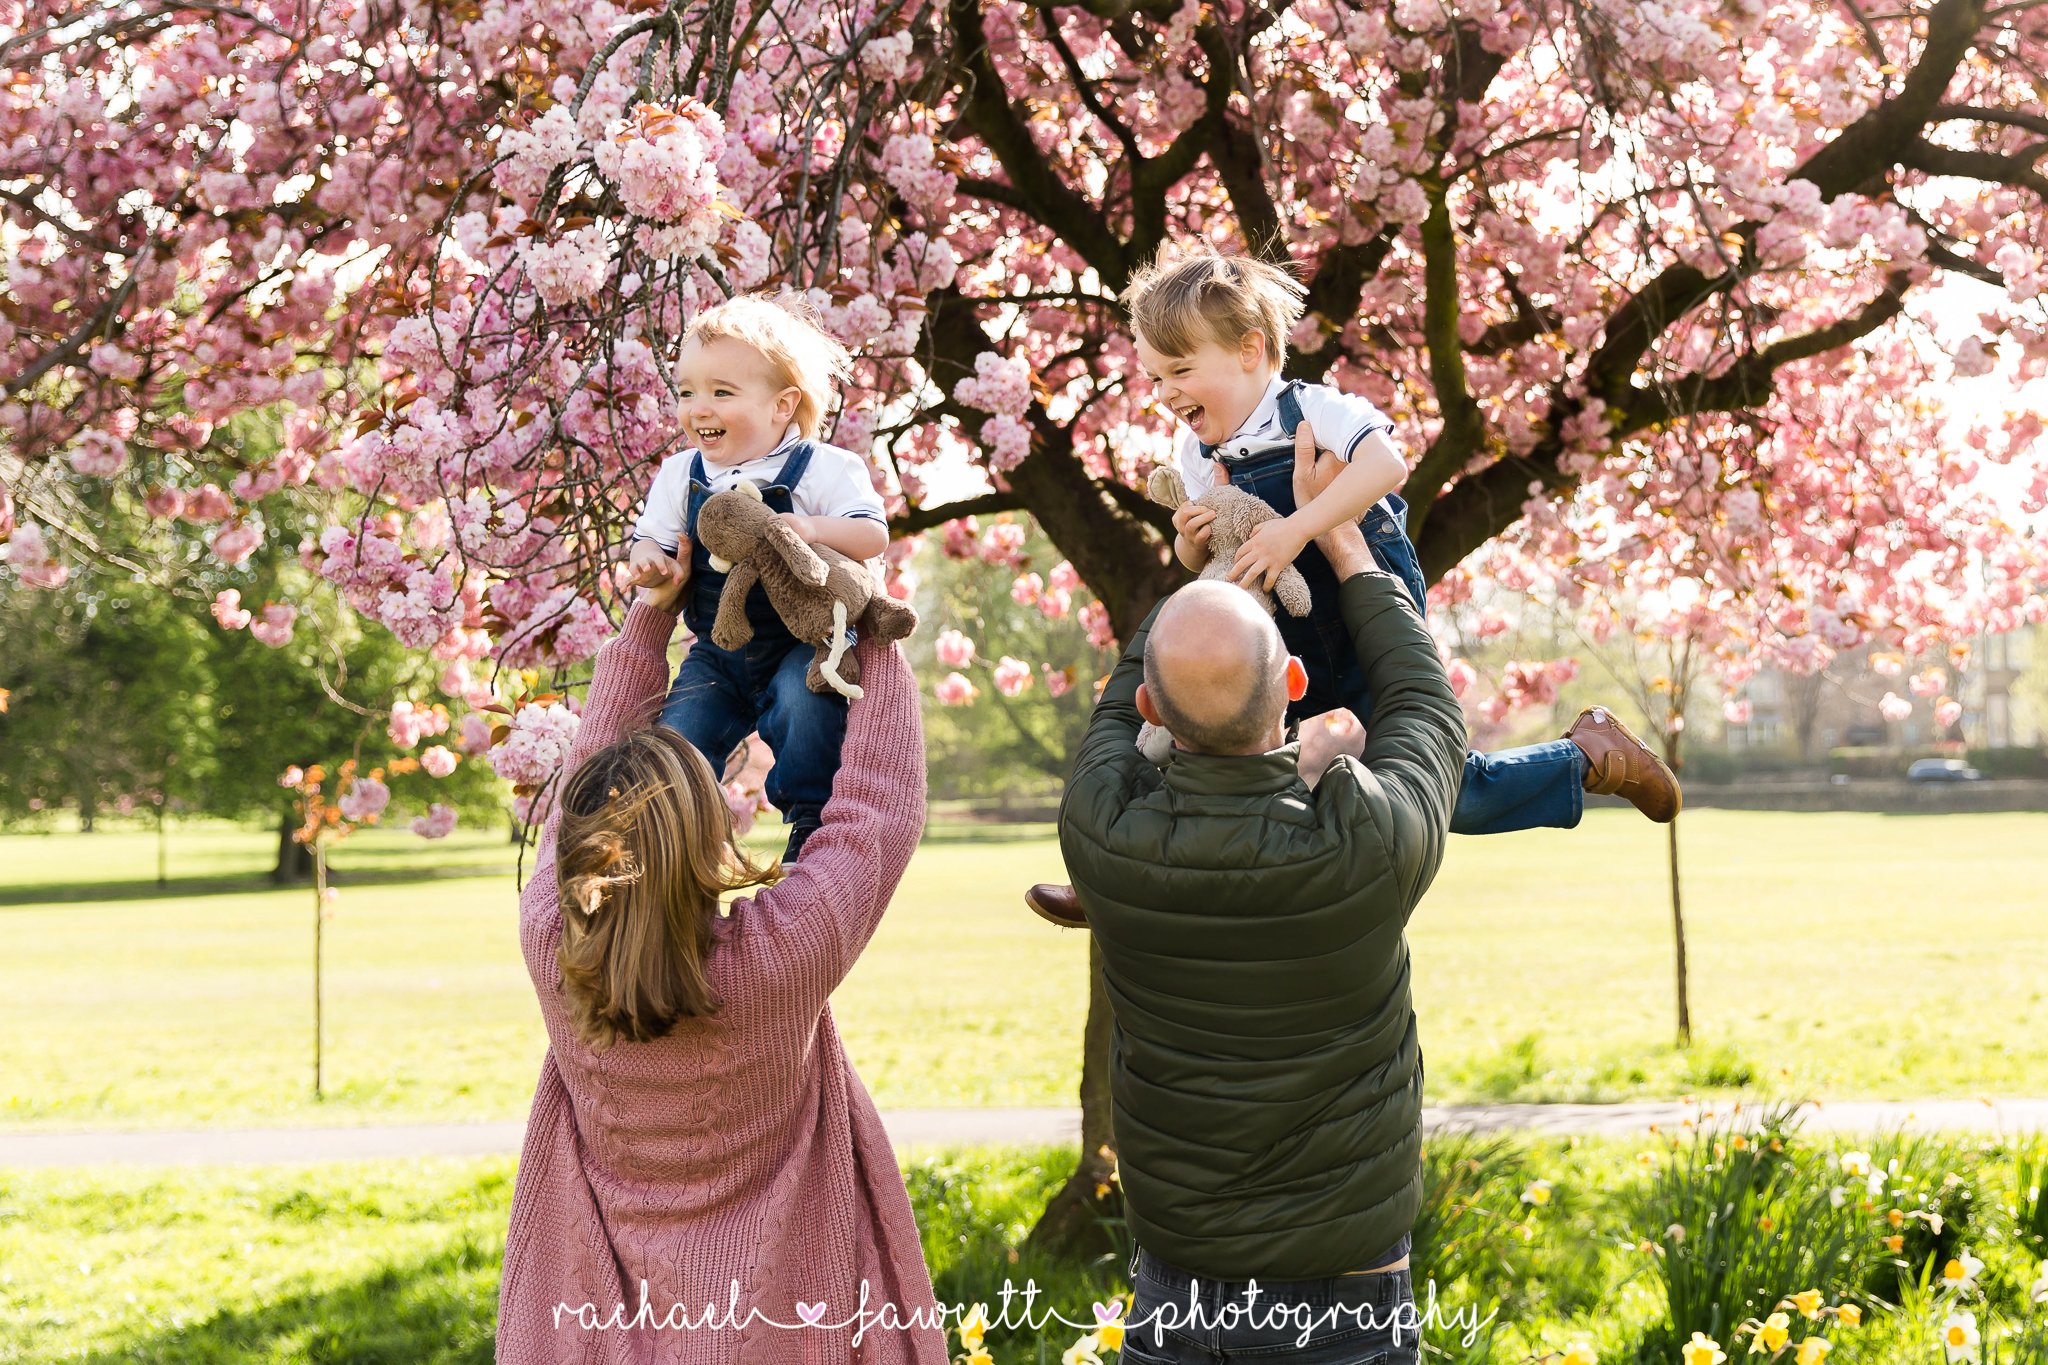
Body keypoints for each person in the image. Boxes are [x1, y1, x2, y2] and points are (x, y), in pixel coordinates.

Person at [1026, 246, 1678, 925]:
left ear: (1250, 349)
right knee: (1193, 752)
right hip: (1285, 645)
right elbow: (1208, 563)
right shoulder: (1198, 454)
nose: (1164, 393)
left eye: (1180, 370)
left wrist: (1298, 527)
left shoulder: (1309, 410)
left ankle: (1589, 758)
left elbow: (1386, 465)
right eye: (1156, 377)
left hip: (1362, 615)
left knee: (1443, 791)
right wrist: (1189, 541)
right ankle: (1113, 880)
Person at [1049, 439, 1463, 1364]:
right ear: (1294, 686)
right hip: (1346, 1290)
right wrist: (1347, 544)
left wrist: (1191, 575)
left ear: (1157, 710)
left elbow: (1122, 707)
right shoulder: (1362, 845)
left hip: (1177, 1286)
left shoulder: (1103, 837)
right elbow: (1427, 709)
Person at [495, 564, 945, 1364]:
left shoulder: (552, 944)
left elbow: (586, 788)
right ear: (711, 840)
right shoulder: (780, 958)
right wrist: (872, 632)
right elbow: (877, 810)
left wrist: (648, 618)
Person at [624, 292, 891, 863]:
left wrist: (811, 527)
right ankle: (677, 841)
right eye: (688, 391)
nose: (700, 407)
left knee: (804, 705)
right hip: (717, 648)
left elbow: (873, 536)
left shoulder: (824, 467)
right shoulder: (680, 474)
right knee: (679, 737)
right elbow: (652, 538)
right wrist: (651, 559)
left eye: (722, 392)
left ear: (782, 405)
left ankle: (810, 824)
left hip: (801, 640)